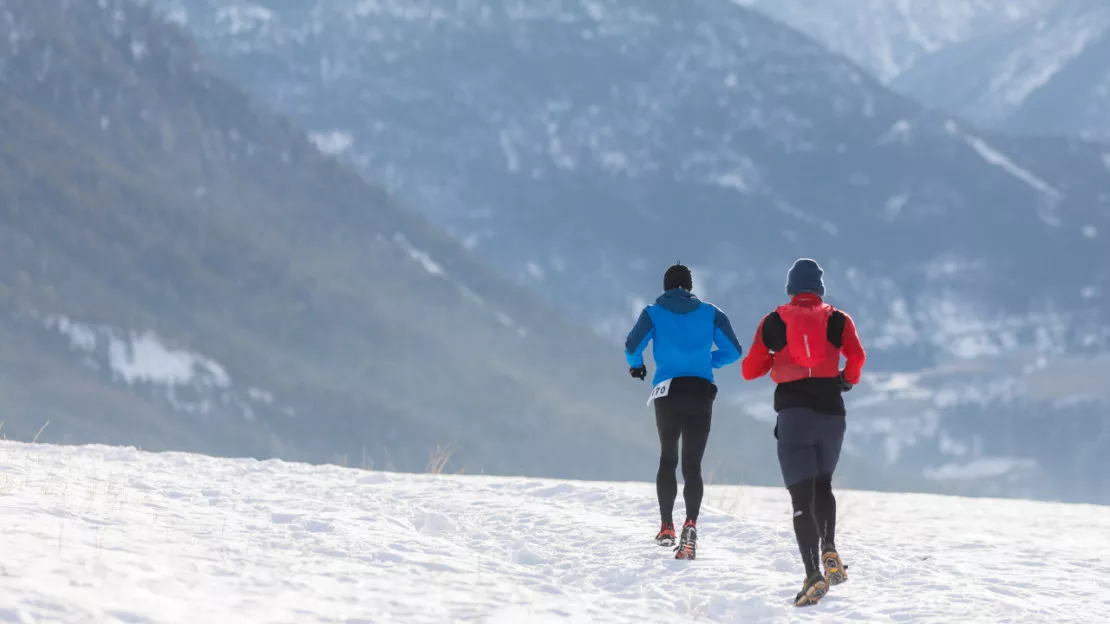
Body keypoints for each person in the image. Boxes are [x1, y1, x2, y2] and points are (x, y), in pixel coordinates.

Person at [740, 258, 866, 607]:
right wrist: (846, 380)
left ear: (791, 289)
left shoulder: (774, 321)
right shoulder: (839, 320)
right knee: (824, 484)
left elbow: (750, 370)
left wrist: (773, 360)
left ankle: (813, 574)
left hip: (794, 417)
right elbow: (857, 358)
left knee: (801, 499)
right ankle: (829, 547)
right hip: (831, 414)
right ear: (819, 289)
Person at [625, 263, 743, 560]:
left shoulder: (653, 312)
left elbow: (631, 345)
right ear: (690, 287)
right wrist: (706, 362)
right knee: (693, 465)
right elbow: (734, 350)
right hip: (701, 391)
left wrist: (638, 365)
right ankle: (691, 523)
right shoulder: (711, 313)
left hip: (667, 391)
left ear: (666, 287)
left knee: (668, 457)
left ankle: (667, 526)